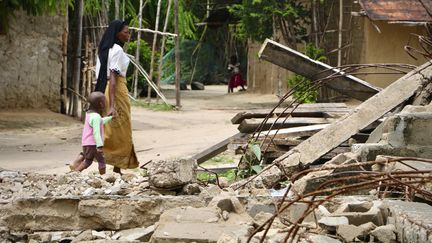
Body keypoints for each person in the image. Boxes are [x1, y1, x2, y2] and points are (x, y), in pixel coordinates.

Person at [95, 20, 139, 174]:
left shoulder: (104, 50)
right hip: (117, 90)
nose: (128, 35)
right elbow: (113, 77)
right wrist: (113, 104)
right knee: (122, 128)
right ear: (117, 33)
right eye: (126, 32)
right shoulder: (118, 50)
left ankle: (111, 165)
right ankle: (116, 166)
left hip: (105, 90)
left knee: (109, 128)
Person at [69, 92, 112, 175]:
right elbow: (96, 133)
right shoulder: (96, 117)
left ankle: (75, 166)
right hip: (93, 144)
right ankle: (103, 176)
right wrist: (99, 146)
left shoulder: (90, 114)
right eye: (105, 101)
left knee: (87, 157)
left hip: (86, 143)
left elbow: (101, 121)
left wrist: (110, 118)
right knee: (97, 160)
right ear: (101, 104)